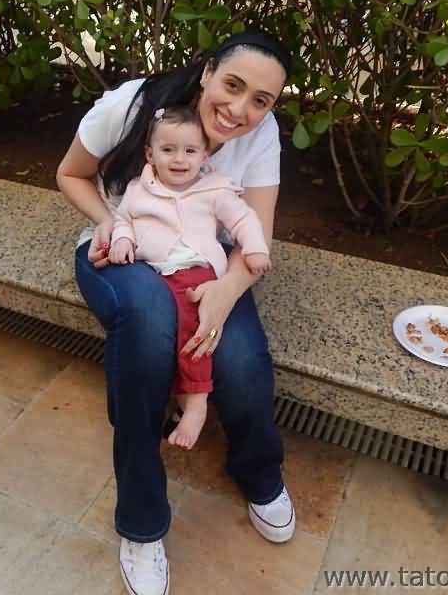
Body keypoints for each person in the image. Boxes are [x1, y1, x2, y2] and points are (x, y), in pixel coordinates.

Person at [56, 30, 296, 595]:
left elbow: (255, 234)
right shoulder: (133, 105)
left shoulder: (261, 136)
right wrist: (110, 223)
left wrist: (226, 292)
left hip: (206, 264)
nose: (239, 109)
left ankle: (258, 470)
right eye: (232, 85)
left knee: (239, 359)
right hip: (124, 251)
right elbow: (70, 173)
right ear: (208, 71)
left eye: (260, 100)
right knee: (147, 327)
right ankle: (141, 523)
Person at [108, 104, 272, 451]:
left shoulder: (213, 189)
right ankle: (166, 400)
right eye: (168, 150)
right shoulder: (139, 188)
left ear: (204, 155)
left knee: (190, 325)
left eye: (190, 151)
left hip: (193, 270)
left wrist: (255, 248)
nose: (179, 159)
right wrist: (122, 239)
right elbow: (123, 218)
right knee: (151, 328)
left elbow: (243, 219)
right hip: (153, 269)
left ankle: (196, 401)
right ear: (150, 154)